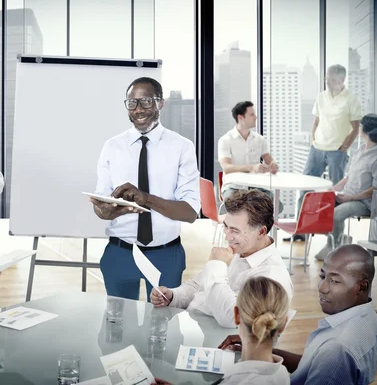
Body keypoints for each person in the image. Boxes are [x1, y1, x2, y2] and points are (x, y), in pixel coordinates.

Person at [90, 77, 200, 301]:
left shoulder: (182, 147)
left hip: (166, 255)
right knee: (117, 329)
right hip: (119, 254)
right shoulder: (112, 147)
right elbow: (101, 209)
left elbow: (190, 213)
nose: (138, 109)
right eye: (132, 103)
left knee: (163, 329)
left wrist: (145, 199)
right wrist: (106, 210)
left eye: (146, 101)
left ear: (161, 103)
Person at [219, 245, 377, 385]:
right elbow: (314, 364)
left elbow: (329, 361)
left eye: (335, 281)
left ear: (361, 287)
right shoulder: (371, 320)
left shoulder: (336, 349)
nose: (322, 287)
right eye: (322, 276)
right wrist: (259, 342)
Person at [150, 189, 293, 328]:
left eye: (235, 231)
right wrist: (174, 296)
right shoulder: (241, 249)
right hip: (194, 326)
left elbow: (231, 318)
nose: (227, 237)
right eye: (226, 227)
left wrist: (216, 264)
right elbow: (197, 285)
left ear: (261, 232)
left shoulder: (272, 277)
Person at [288, 64, 362, 242]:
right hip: (317, 149)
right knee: (306, 188)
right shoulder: (321, 97)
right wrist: (313, 139)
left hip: (337, 152)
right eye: (326, 79)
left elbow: (356, 127)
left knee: (335, 193)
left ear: (341, 80)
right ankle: (301, 231)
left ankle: (334, 237)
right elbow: (316, 120)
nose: (327, 82)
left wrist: (345, 145)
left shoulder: (351, 99)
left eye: (330, 79)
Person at [314, 114, 377, 261]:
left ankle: (335, 251)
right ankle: (336, 242)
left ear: (366, 131)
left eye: (361, 126)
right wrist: (334, 188)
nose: (358, 128)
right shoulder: (360, 149)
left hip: (364, 202)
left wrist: (351, 197)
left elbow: (376, 189)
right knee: (321, 207)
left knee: (336, 215)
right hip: (348, 195)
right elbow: (349, 176)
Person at [218, 101, 282, 212]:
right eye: (252, 114)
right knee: (240, 209)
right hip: (234, 187)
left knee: (277, 206)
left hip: (257, 188)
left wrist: (273, 164)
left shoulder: (259, 139)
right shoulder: (226, 140)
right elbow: (227, 168)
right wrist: (251, 168)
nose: (255, 117)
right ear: (240, 117)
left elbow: (269, 159)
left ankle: (258, 228)